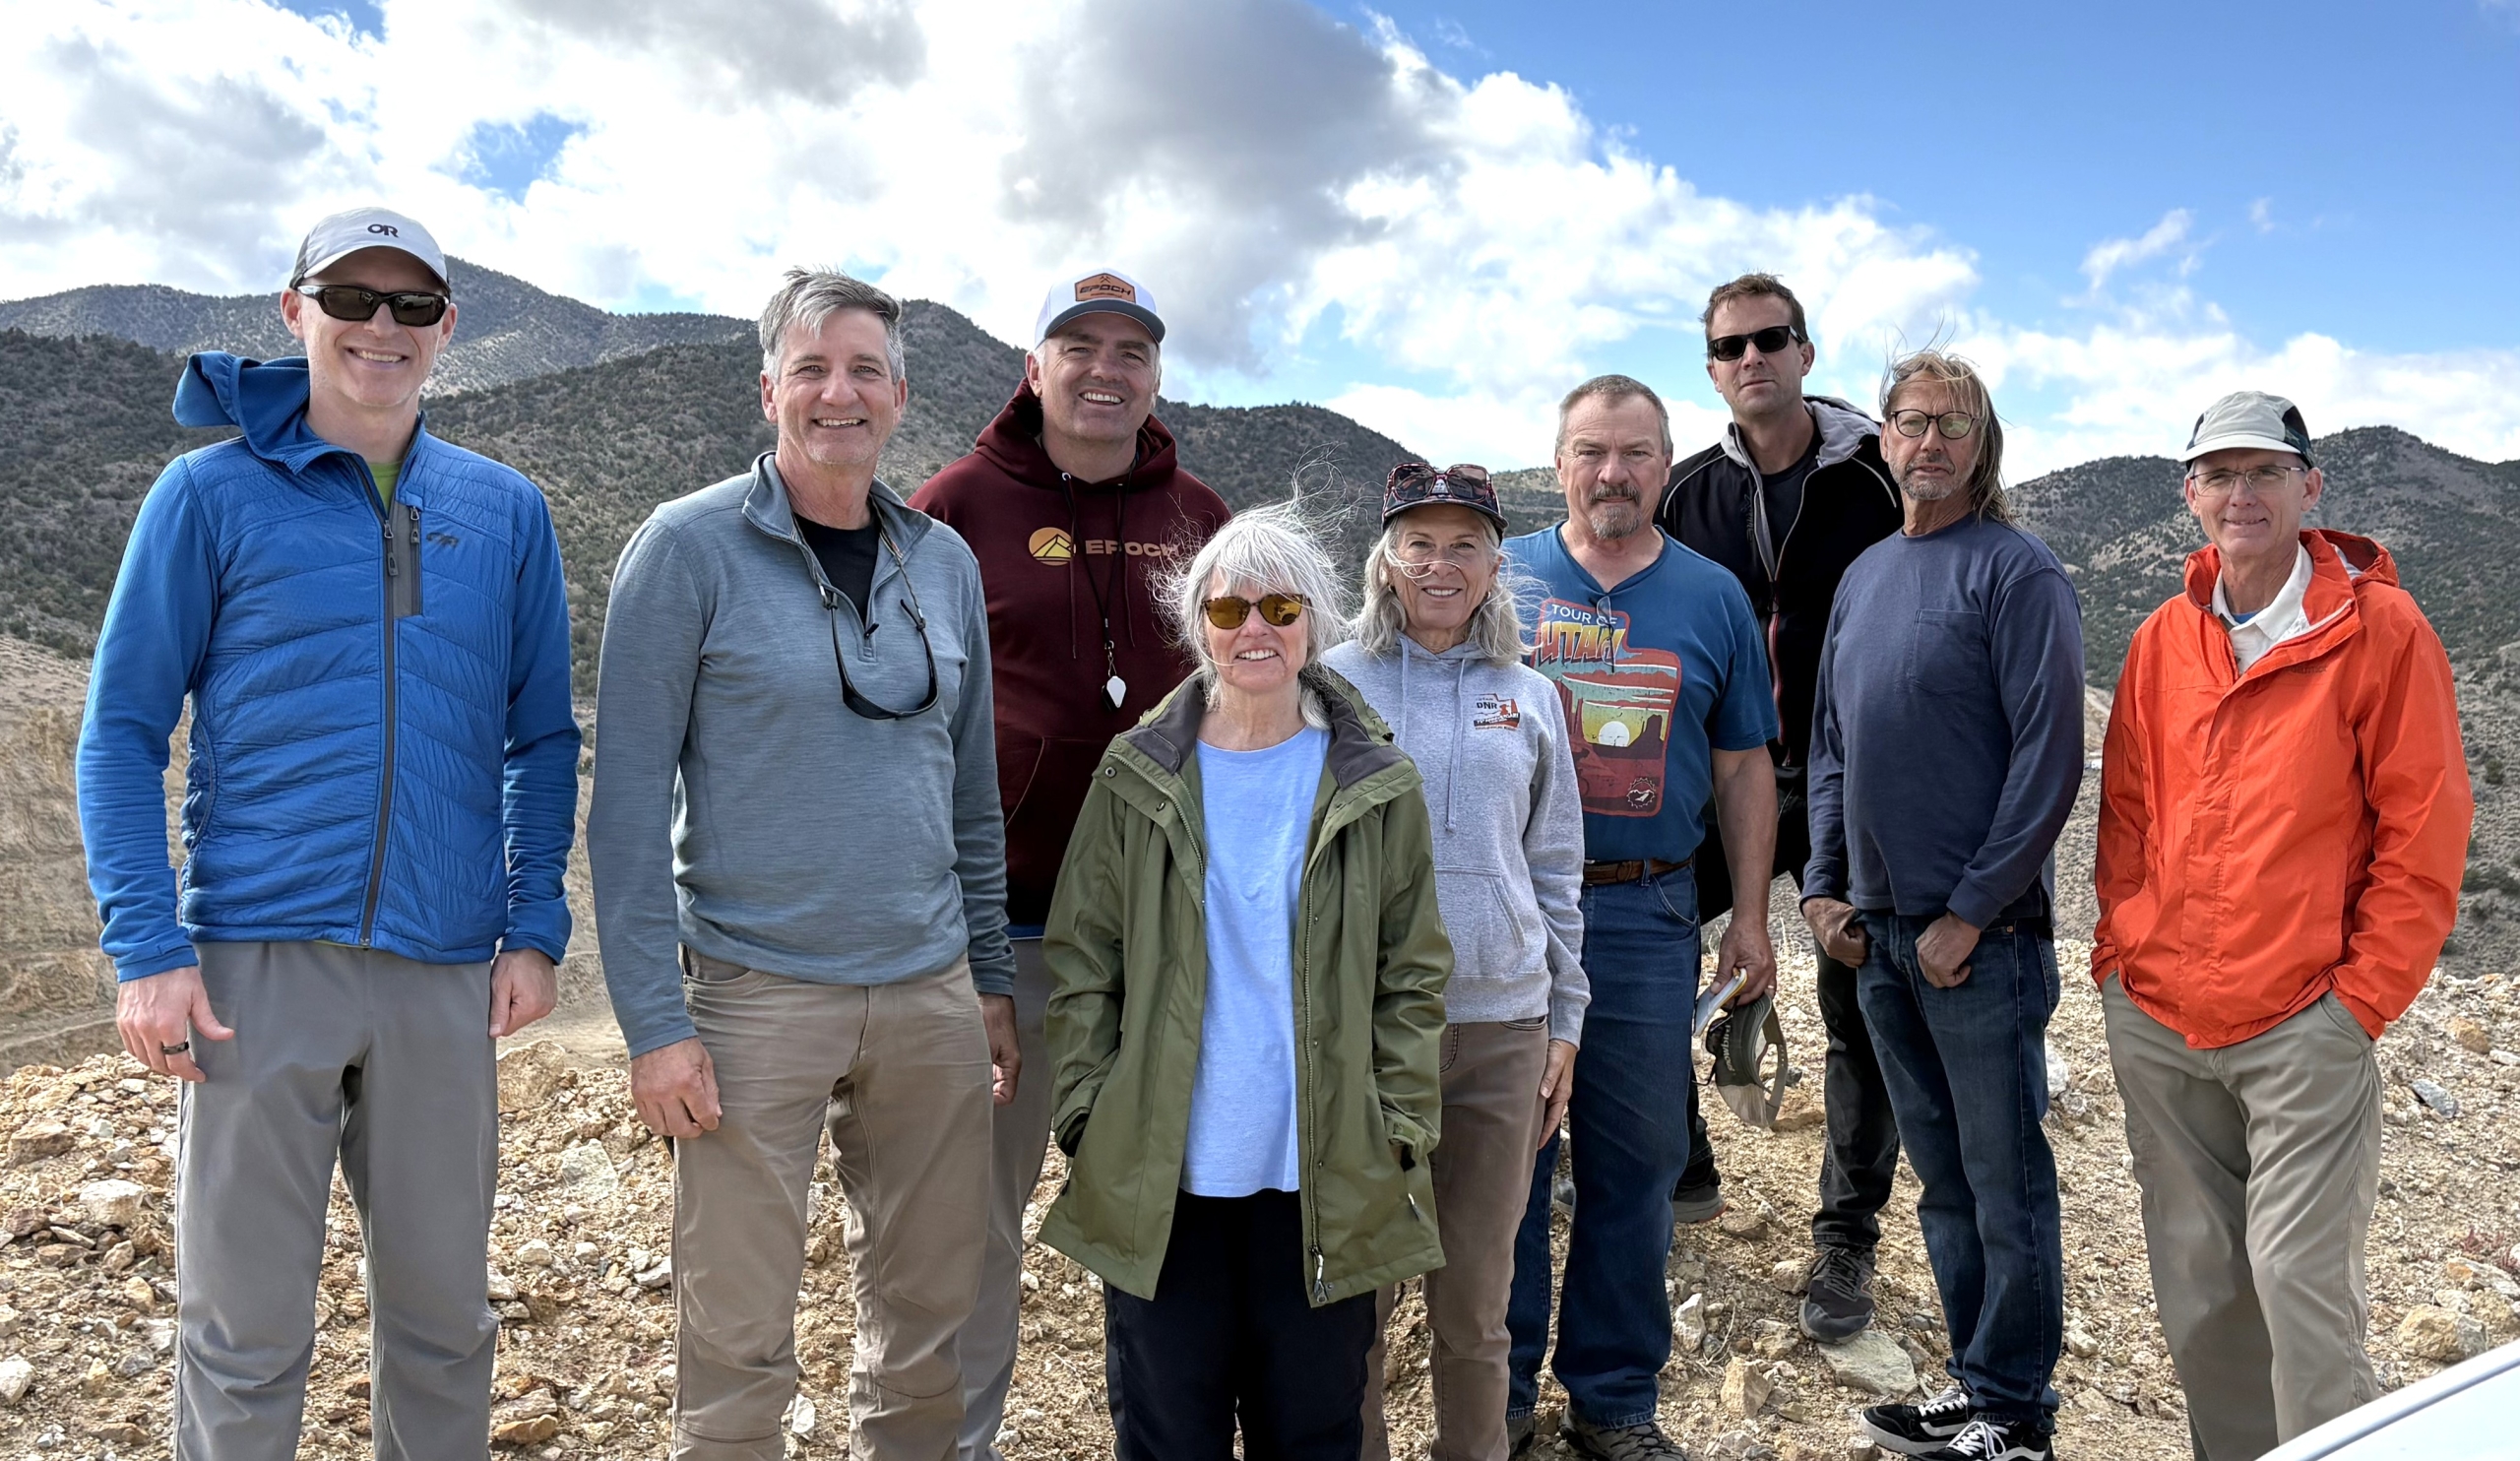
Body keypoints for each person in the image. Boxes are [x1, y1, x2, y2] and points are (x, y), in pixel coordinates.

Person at [76, 206, 580, 1459]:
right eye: (351, 298)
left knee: (445, 1322)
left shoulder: (506, 512)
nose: (381, 328)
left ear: (447, 329)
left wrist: (533, 923)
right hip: (253, 963)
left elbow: (543, 739)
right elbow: (120, 732)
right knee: (242, 1330)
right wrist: (147, 948)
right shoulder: (205, 497)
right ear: (293, 310)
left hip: (443, 967)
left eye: (412, 306)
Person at [587, 269, 1015, 1460]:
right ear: (768, 389)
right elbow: (622, 810)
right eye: (813, 368)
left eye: (864, 368)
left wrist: (985, 977)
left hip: (929, 992)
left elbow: (967, 792)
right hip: (750, 993)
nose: (840, 392)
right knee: (735, 1329)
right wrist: (652, 1024)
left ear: (899, 394)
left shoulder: (944, 565)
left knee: (931, 1315)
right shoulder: (684, 550)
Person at [2095, 393, 2470, 1460]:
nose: (2240, 493)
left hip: (2302, 1018)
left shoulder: (2380, 630)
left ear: (2311, 488)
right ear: (2190, 494)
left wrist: (2356, 1005)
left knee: (2300, 1290)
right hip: (2160, 1014)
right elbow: (2126, 808)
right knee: (2200, 1288)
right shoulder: (2164, 636)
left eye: (2265, 472)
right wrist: (2119, 954)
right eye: (2219, 474)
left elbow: (2425, 828)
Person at [1039, 506, 1452, 1461]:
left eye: (1279, 603)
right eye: (1229, 606)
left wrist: (1397, 1124)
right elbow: (1082, 961)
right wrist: (1087, 1112)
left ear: (1313, 622)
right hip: (1161, 1174)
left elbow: (1413, 972)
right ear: (1198, 624)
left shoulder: (1374, 780)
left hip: (1324, 1171)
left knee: (1311, 1431)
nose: (1253, 626)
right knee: (1164, 1432)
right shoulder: (1135, 774)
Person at [908, 268, 1230, 1461]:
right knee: (970, 1222)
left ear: (1155, 373)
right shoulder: (950, 507)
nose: (1107, 367)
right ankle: (958, 1441)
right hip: (998, 939)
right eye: (1078, 343)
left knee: (1161, 1217)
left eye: (1131, 348)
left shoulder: (1199, 515)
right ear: (1032, 365)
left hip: (1161, 938)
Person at [1800, 351, 2083, 1461]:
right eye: (1910, 421)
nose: (1928, 440)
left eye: (1951, 424)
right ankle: (1978, 1386)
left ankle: (2017, 1412)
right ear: (1881, 438)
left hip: (1982, 941)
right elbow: (1830, 744)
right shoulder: (1867, 574)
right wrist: (1822, 887)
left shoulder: (2018, 573)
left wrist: (1972, 907)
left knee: (2006, 1184)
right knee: (1945, 1183)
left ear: (1982, 445)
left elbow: (2049, 760)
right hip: (1876, 935)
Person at [1502, 376, 1781, 1461]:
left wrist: (1750, 915)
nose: (1611, 473)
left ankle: (1614, 1401)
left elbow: (1746, 760)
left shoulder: (1712, 597)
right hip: (1513, 911)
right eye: (1590, 451)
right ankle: (1503, 1390)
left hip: (1645, 907)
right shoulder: (1502, 575)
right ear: (1558, 461)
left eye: (1634, 453)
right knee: (1510, 1157)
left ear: (1668, 464)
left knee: (1636, 1159)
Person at [1324, 464, 1589, 1461]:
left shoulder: (1529, 698)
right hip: (1365, 1033)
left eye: (1464, 544)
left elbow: (1557, 867)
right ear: (1386, 560)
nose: (1441, 564)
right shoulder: (1334, 682)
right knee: (1354, 1304)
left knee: (1475, 1306)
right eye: (1420, 543)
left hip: (1500, 1034)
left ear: (1493, 564)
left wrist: (1563, 1020)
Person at [1659, 273, 1906, 1339]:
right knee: (1647, 935)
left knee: (1859, 999)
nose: (1750, 358)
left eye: (1770, 340)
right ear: (1711, 369)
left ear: (1805, 351)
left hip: (1853, 773)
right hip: (1730, 769)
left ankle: (1845, 1234)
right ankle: (1679, 1163)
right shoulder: (1686, 491)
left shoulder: (1875, 477)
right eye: (1729, 346)